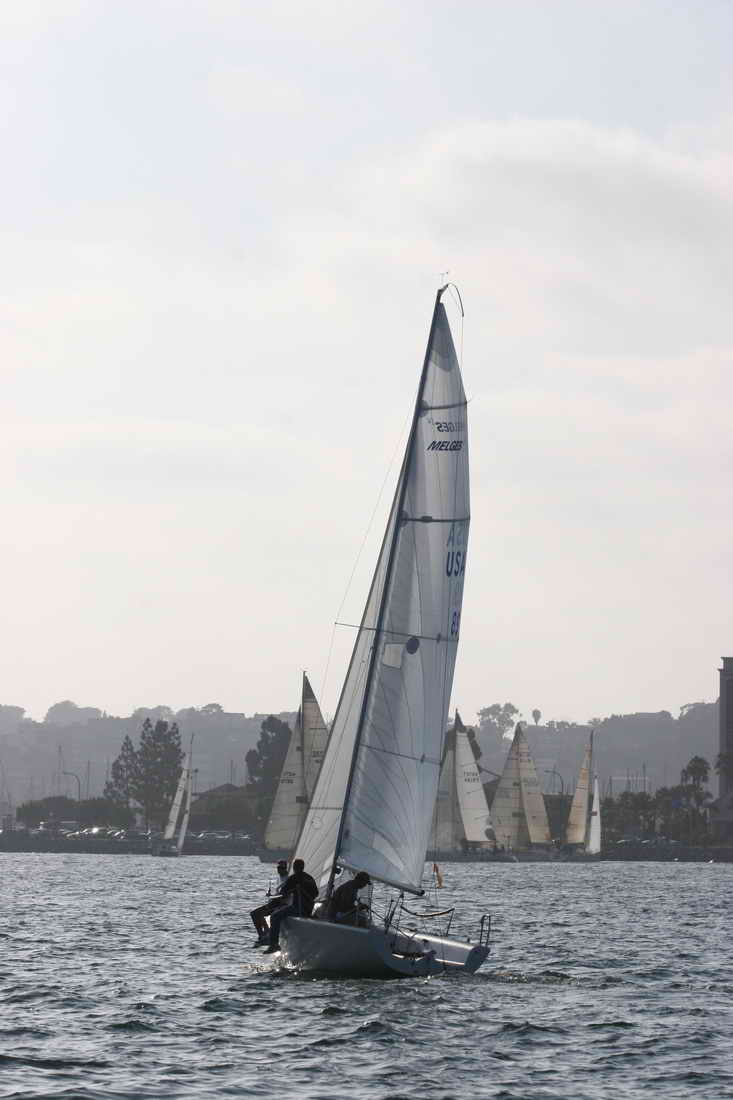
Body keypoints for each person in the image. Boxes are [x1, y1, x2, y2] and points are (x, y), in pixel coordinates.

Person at [264, 858, 318, 953]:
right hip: (308, 910)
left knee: (274, 916)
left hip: (298, 909)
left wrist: (271, 896)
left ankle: (274, 944)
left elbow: (282, 894)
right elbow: (316, 893)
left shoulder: (294, 878)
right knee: (282, 912)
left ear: (294, 867)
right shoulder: (310, 878)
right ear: (303, 867)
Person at [250, 860, 289, 944]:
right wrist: (270, 894)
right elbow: (277, 892)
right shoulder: (279, 878)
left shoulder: (288, 879)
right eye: (278, 868)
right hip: (273, 903)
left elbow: (284, 895)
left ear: (285, 868)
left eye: (281, 868)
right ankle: (262, 935)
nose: (279, 870)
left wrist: (272, 896)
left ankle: (267, 934)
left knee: (260, 914)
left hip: (281, 904)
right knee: (253, 914)